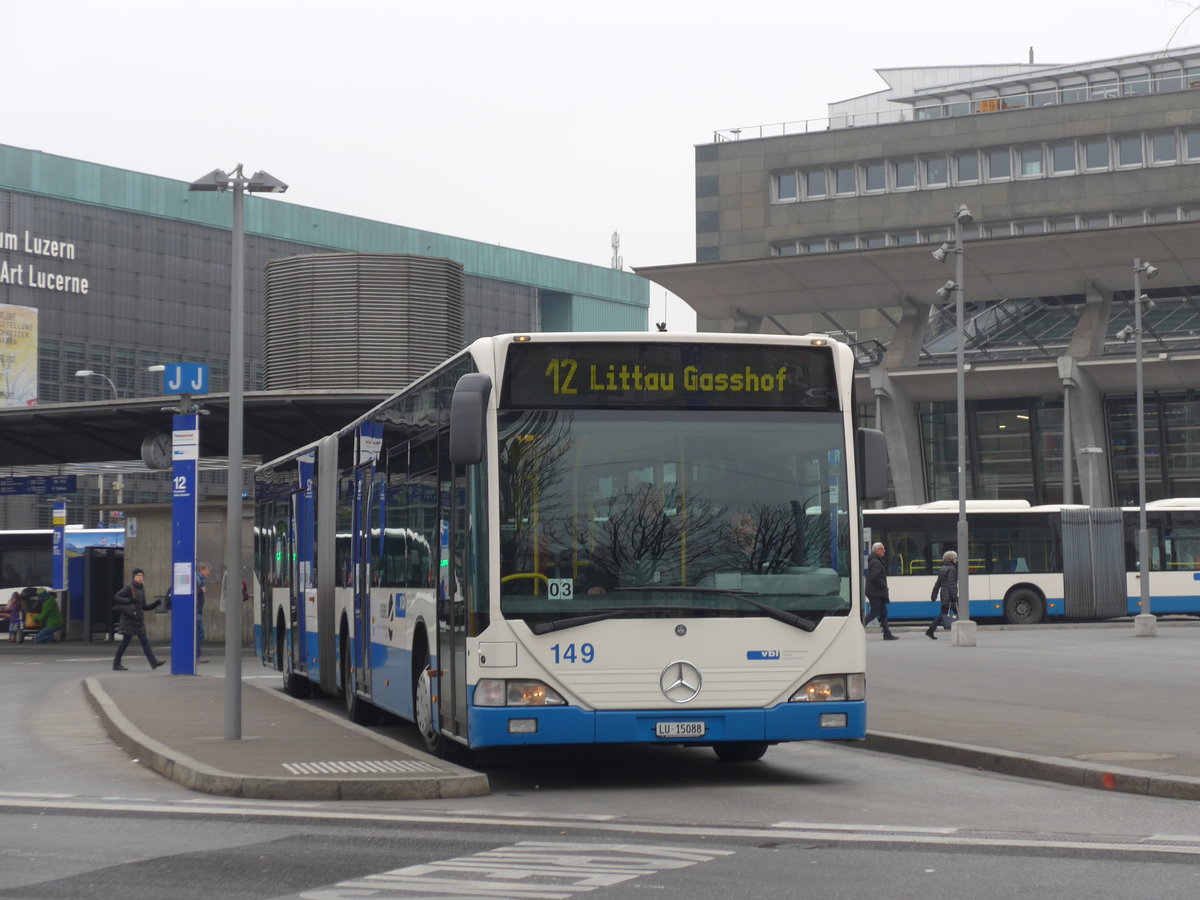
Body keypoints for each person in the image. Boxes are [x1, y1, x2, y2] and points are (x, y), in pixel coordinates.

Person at [112, 568, 164, 671]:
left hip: (138, 620)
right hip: (129, 620)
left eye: (142, 576)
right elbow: (117, 597)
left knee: (145, 642)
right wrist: (129, 600)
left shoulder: (141, 589)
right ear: (134, 577)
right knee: (125, 643)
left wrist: (155, 604)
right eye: (138, 575)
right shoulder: (129, 588)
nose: (141, 577)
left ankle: (154, 662)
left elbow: (143, 606)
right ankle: (116, 663)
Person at [864, 542, 898, 640]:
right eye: (882, 549)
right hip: (876, 592)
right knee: (875, 612)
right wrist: (883, 586)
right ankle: (859, 628)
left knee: (883, 612)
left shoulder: (875, 560)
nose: (884, 551)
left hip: (877, 592)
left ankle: (887, 634)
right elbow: (874, 577)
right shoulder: (876, 562)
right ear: (877, 550)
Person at [925, 550, 960, 640]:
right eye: (955, 558)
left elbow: (938, 583)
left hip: (944, 595)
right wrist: (954, 597)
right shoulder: (952, 569)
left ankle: (930, 630)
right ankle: (961, 632)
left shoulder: (943, 568)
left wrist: (934, 594)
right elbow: (951, 585)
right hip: (950, 596)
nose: (956, 560)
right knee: (961, 613)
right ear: (952, 559)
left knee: (943, 613)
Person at [196, 562, 210, 663]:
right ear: (201, 570)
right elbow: (192, 592)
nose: (208, 572)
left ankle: (196, 655)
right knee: (200, 633)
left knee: (198, 633)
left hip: (198, 610)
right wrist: (201, 590)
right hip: (196, 611)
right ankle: (197, 655)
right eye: (207, 570)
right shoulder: (196, 579)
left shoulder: (201, 579)